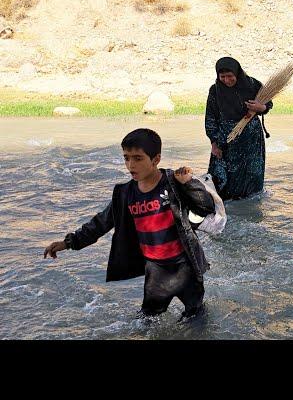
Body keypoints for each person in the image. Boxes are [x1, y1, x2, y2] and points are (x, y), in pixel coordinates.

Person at [43, 128, 216, 320]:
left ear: (156, 159)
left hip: (186, 266)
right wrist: (69, 242)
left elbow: (206, 207)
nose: (130, 165)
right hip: (156, 271)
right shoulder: (125, 194)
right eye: (126, 158)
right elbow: (101, 222)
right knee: (146, 321)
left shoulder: (173, 183)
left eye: (138, 158)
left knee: (195, 317)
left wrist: (189, 183)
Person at [205, 57, 273, 200]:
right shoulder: (215, 90)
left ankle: (249, 208)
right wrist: (214, 143)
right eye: (222, 76)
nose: (226, 80)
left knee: (252, 176)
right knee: (223, 178)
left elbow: (268, 103)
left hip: (251, 140)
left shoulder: (252, 84)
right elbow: (211, 117)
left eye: (230, 76)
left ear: (237, 73)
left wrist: (261, 107)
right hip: (226, 139)